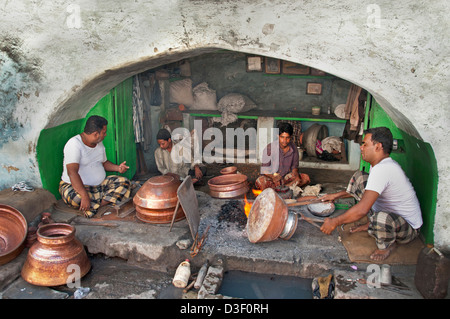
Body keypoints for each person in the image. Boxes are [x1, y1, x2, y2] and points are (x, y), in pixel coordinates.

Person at [319, 127, 423, 261]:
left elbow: (362, 209)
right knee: (360, 177)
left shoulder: (384, 169)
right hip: (390, 214)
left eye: (365, 144)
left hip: (407, 228)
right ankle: (372, 223)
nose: (361, 147)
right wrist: (335, 196)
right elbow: (368, 192)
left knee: (381, 218)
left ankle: (386, 246)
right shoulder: (378, 165)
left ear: (378, 147)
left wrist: (334, 222)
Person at [59, 115, 131, 218]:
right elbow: (72, 172)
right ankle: (97, 201)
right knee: (76, 199)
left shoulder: (99, 143)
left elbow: (104, 162)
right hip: (76, 187)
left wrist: (118, 168)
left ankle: (94, 205)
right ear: (95, 134)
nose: (105, 135)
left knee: (124, 182)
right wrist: (84, 195)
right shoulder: (74, 144)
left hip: (99, 186)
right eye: (104, 132)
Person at [256, 122, 310, 190]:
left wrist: (297, 177)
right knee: (261, 181)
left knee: (305, 178)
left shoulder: (293, 148)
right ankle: (285, 188)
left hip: (285, 178)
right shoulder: (269, 148)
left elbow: (294, 168)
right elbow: (264, 170)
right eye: (282, 137)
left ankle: (283, 189)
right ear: (277, 136)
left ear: (291, 137)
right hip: (271, 178)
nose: (284, 141)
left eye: (287, 138)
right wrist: (273, 176)